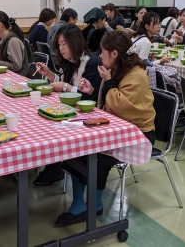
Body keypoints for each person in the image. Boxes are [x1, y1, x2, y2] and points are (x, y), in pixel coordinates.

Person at [55, 31, 155, 227]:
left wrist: (107, 82)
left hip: (138, 132)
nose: (100, 55)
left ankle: (95, 205)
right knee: (77, 149)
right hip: (117, 128)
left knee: (98, 156)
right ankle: (78, 204)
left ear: (115, 54)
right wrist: (92, 90)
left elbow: (120, 106)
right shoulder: (118, 69)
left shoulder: (137, 75)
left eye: (103, 51)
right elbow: (111, 103)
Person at [33, 24, 103, 186]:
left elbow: (87, 96)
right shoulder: (69, 61)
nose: (61, 48)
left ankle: (55, 168)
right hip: (70, 111)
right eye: (59, 44)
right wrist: (50, 75)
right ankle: (54, 167)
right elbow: (64, 84)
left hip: (87, 117)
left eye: (65, 44)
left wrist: (65, 87)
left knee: (52, 127)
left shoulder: (91, 63)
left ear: (76, 43)